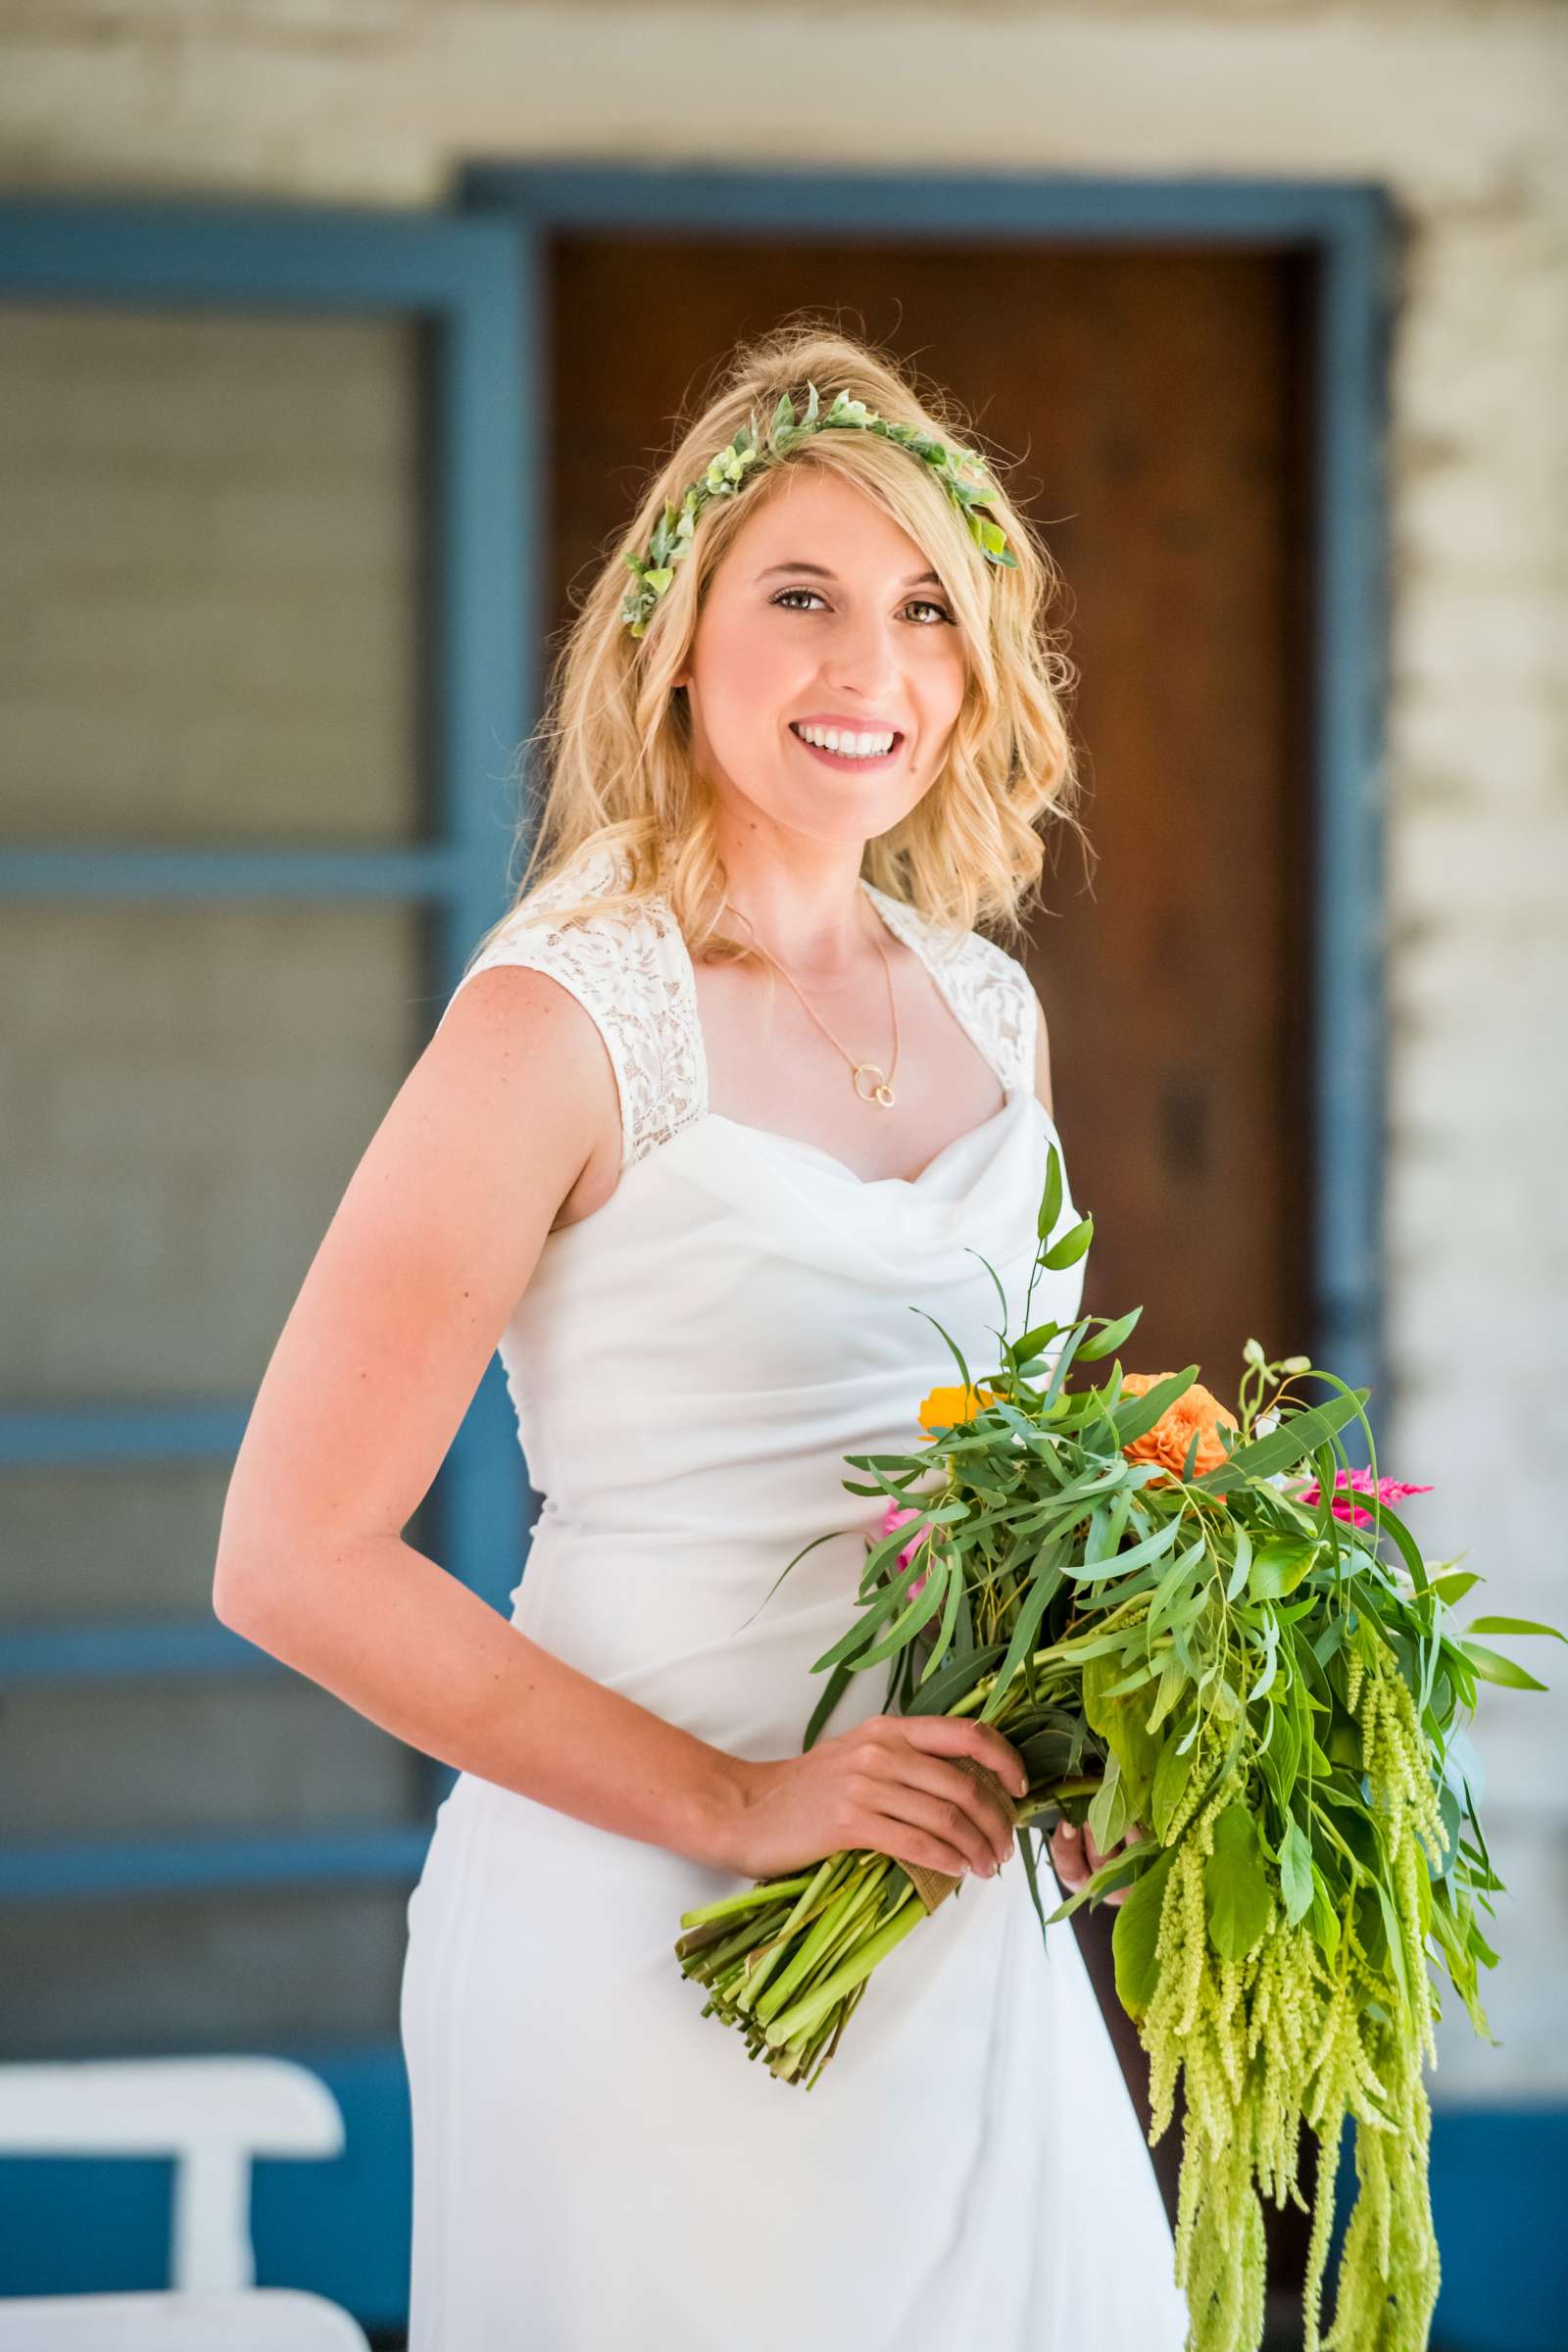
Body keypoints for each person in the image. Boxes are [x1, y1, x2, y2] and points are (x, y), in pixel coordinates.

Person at [213, 320, 1189, 2349]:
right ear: (670, 636)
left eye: (927, 607)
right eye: (802, 597)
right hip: (640, 1937)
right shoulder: (557, 1023)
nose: (871, 669)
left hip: (951, 1927)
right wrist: (744, 1807)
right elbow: (288, 1557)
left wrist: (1104, 1731)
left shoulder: (983, 1009)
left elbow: (995, 1493)